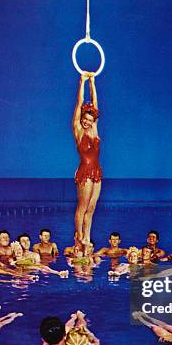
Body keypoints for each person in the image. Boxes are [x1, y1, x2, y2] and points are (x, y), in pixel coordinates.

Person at [72, 71, 102, 245]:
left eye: (90, 120)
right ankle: (79, 235)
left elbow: (95, 103)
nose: (87, 122)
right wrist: (82, 82)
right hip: (85, 171)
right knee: (82, 207)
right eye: (85, 118)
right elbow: (79, 103)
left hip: (97, 171)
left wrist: (93, 82)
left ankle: (87, 236)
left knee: (91, 208)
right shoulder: (78, 131)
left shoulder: (94, 129)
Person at [33, 311, 100, 345]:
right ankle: (80, 317)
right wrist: (89, 334)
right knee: (80, 329)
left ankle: (74, 318)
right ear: (65, 335)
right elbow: (97, 343)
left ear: (43, 339)